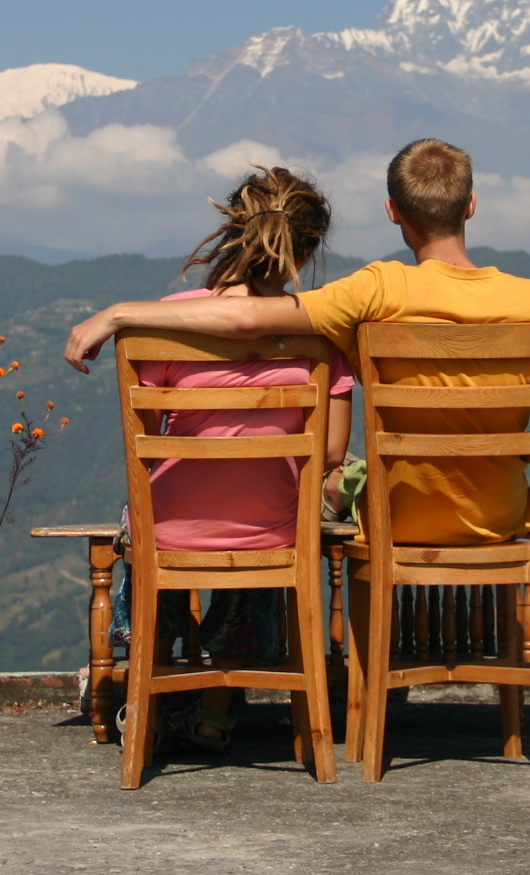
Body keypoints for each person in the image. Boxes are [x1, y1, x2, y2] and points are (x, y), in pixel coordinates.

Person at [66, 138, 530, 553]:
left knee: (343, 486)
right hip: (499, 520)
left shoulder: (377, 290)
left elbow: (248, 317)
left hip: (397, 518)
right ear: (470, 205)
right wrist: (487, 449)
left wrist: (118, 313)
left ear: (393, 211)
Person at [110, 165, 354, 753]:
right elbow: (330, 455)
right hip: (273, 530)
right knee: (274, 513)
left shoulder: (168, 321)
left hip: (168, 524)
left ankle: (157, 688)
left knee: (138, 522)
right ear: (307, 250)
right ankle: (217, 709)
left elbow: (143, 445)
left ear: (234, 232)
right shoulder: (322, 333)